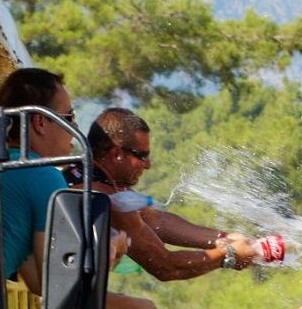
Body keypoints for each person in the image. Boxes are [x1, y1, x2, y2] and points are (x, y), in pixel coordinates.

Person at [0, 68, 175, 309]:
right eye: (69, 117)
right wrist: (128, 307)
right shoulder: (41, 176)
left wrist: (104, 260)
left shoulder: (7, 167)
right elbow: (59, 289)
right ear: (40, 123)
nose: (75, 129)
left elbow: (38, 280)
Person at [79, 107, 258, 281]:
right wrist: (228, 255)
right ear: (116, 153)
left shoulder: (83, 172)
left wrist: (224, 239)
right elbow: (166, 267)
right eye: (142, 156)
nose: (148, 165)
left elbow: (156, 221)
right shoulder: (106, 198)